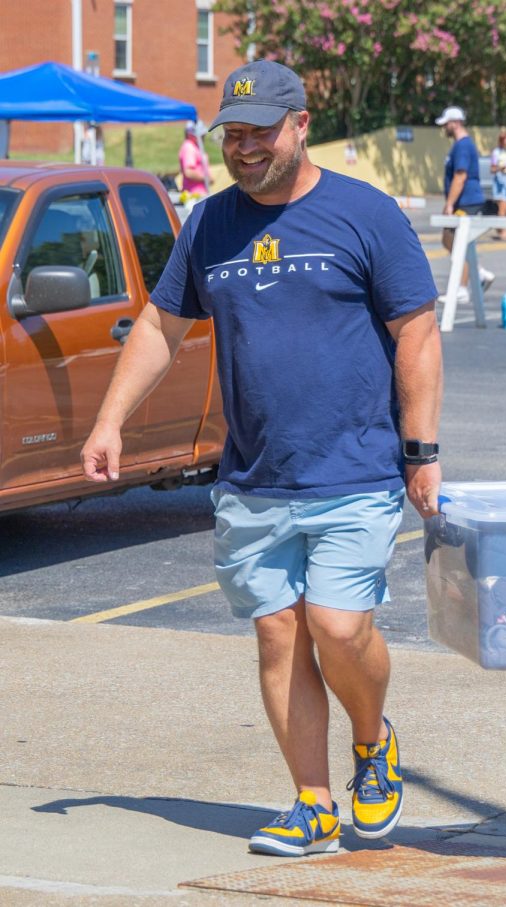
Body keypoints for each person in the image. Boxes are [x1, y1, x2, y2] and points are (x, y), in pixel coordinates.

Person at [80, 59, 444, 859]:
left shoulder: (365, 215)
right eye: (233, 135)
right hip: (252, 476)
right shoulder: (210, 226)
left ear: (302, 124)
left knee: (338, 626)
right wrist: (110, 420)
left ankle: (373, 739)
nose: (244, 148)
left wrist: (421, 450)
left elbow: (415, 333)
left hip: (353, 466)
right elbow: (158, 328)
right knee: (279, 635)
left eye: (260, 132)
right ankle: (312, 803)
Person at [436, 105, 494, 304]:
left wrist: (449, 204)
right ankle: (479, 273)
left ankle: (462, 287)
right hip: (466, 201)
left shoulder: (462, 146)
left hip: (466, 201)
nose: (444, 128)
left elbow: (460, 176)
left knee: (457, 240)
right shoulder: (461, 145)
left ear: (455, 123)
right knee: (452, 240)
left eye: (446, 124)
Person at [179, 121, 212, 198]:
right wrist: (207, 179)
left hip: (199, 194)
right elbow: (189, 172)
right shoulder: (189, 147)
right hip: (194, 195)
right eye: (202, 135)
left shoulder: (194, 147)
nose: (204, 136)